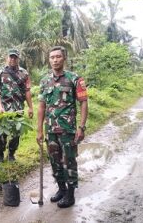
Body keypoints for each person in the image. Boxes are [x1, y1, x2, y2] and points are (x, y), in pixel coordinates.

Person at [36, 46, 89, 208]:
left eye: (58, 57)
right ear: (49, 59)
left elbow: (83, 102)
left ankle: (71, 194)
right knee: (55, 162)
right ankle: (61, 189)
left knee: (69, 161)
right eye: (52, 57)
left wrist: (81, 127)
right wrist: (39, 130)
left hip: (68, 130)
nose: (55, 60)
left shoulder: (74, 79)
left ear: (64, 58)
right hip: (51, 130)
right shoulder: (45, 81)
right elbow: (41, 106)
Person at [0, 48, 33, 162]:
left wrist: (30, 107)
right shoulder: (0, 72)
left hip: (18, 108)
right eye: (11, 57)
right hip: (3, 108)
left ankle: (11, 154)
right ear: (7, 57)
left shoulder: (24, 73)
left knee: (16, 133)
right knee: (1, 133)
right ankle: (0, 153)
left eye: (15, 57)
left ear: (18, 58)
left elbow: (27, 91)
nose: (13, 59)